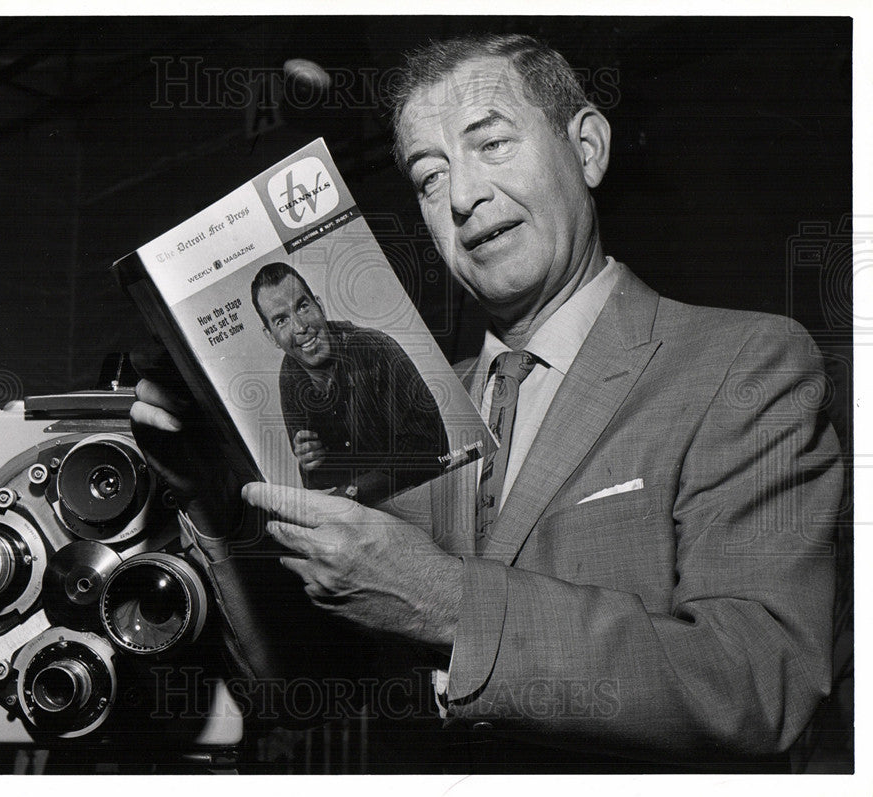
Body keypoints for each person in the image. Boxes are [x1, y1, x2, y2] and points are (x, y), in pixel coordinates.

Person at [130, 33, 842, 771]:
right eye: (430, 178)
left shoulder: (741, 364)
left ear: (589, 149)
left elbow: (762, 681)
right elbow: (306, 687)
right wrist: (212, 497)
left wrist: (447, 602)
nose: (464, 196)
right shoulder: (427, 411)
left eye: (492, 144)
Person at [249, 261, 449, 504]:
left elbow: (431, 448)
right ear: (271, 337)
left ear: (319, 306)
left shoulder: (374, 348)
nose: (300, 327)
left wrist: (350, 494)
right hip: (363, 511)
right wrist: (311, 462)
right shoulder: (291, 374)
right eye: (281, 321)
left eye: (302, 307)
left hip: (424, 497)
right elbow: (320, 479)